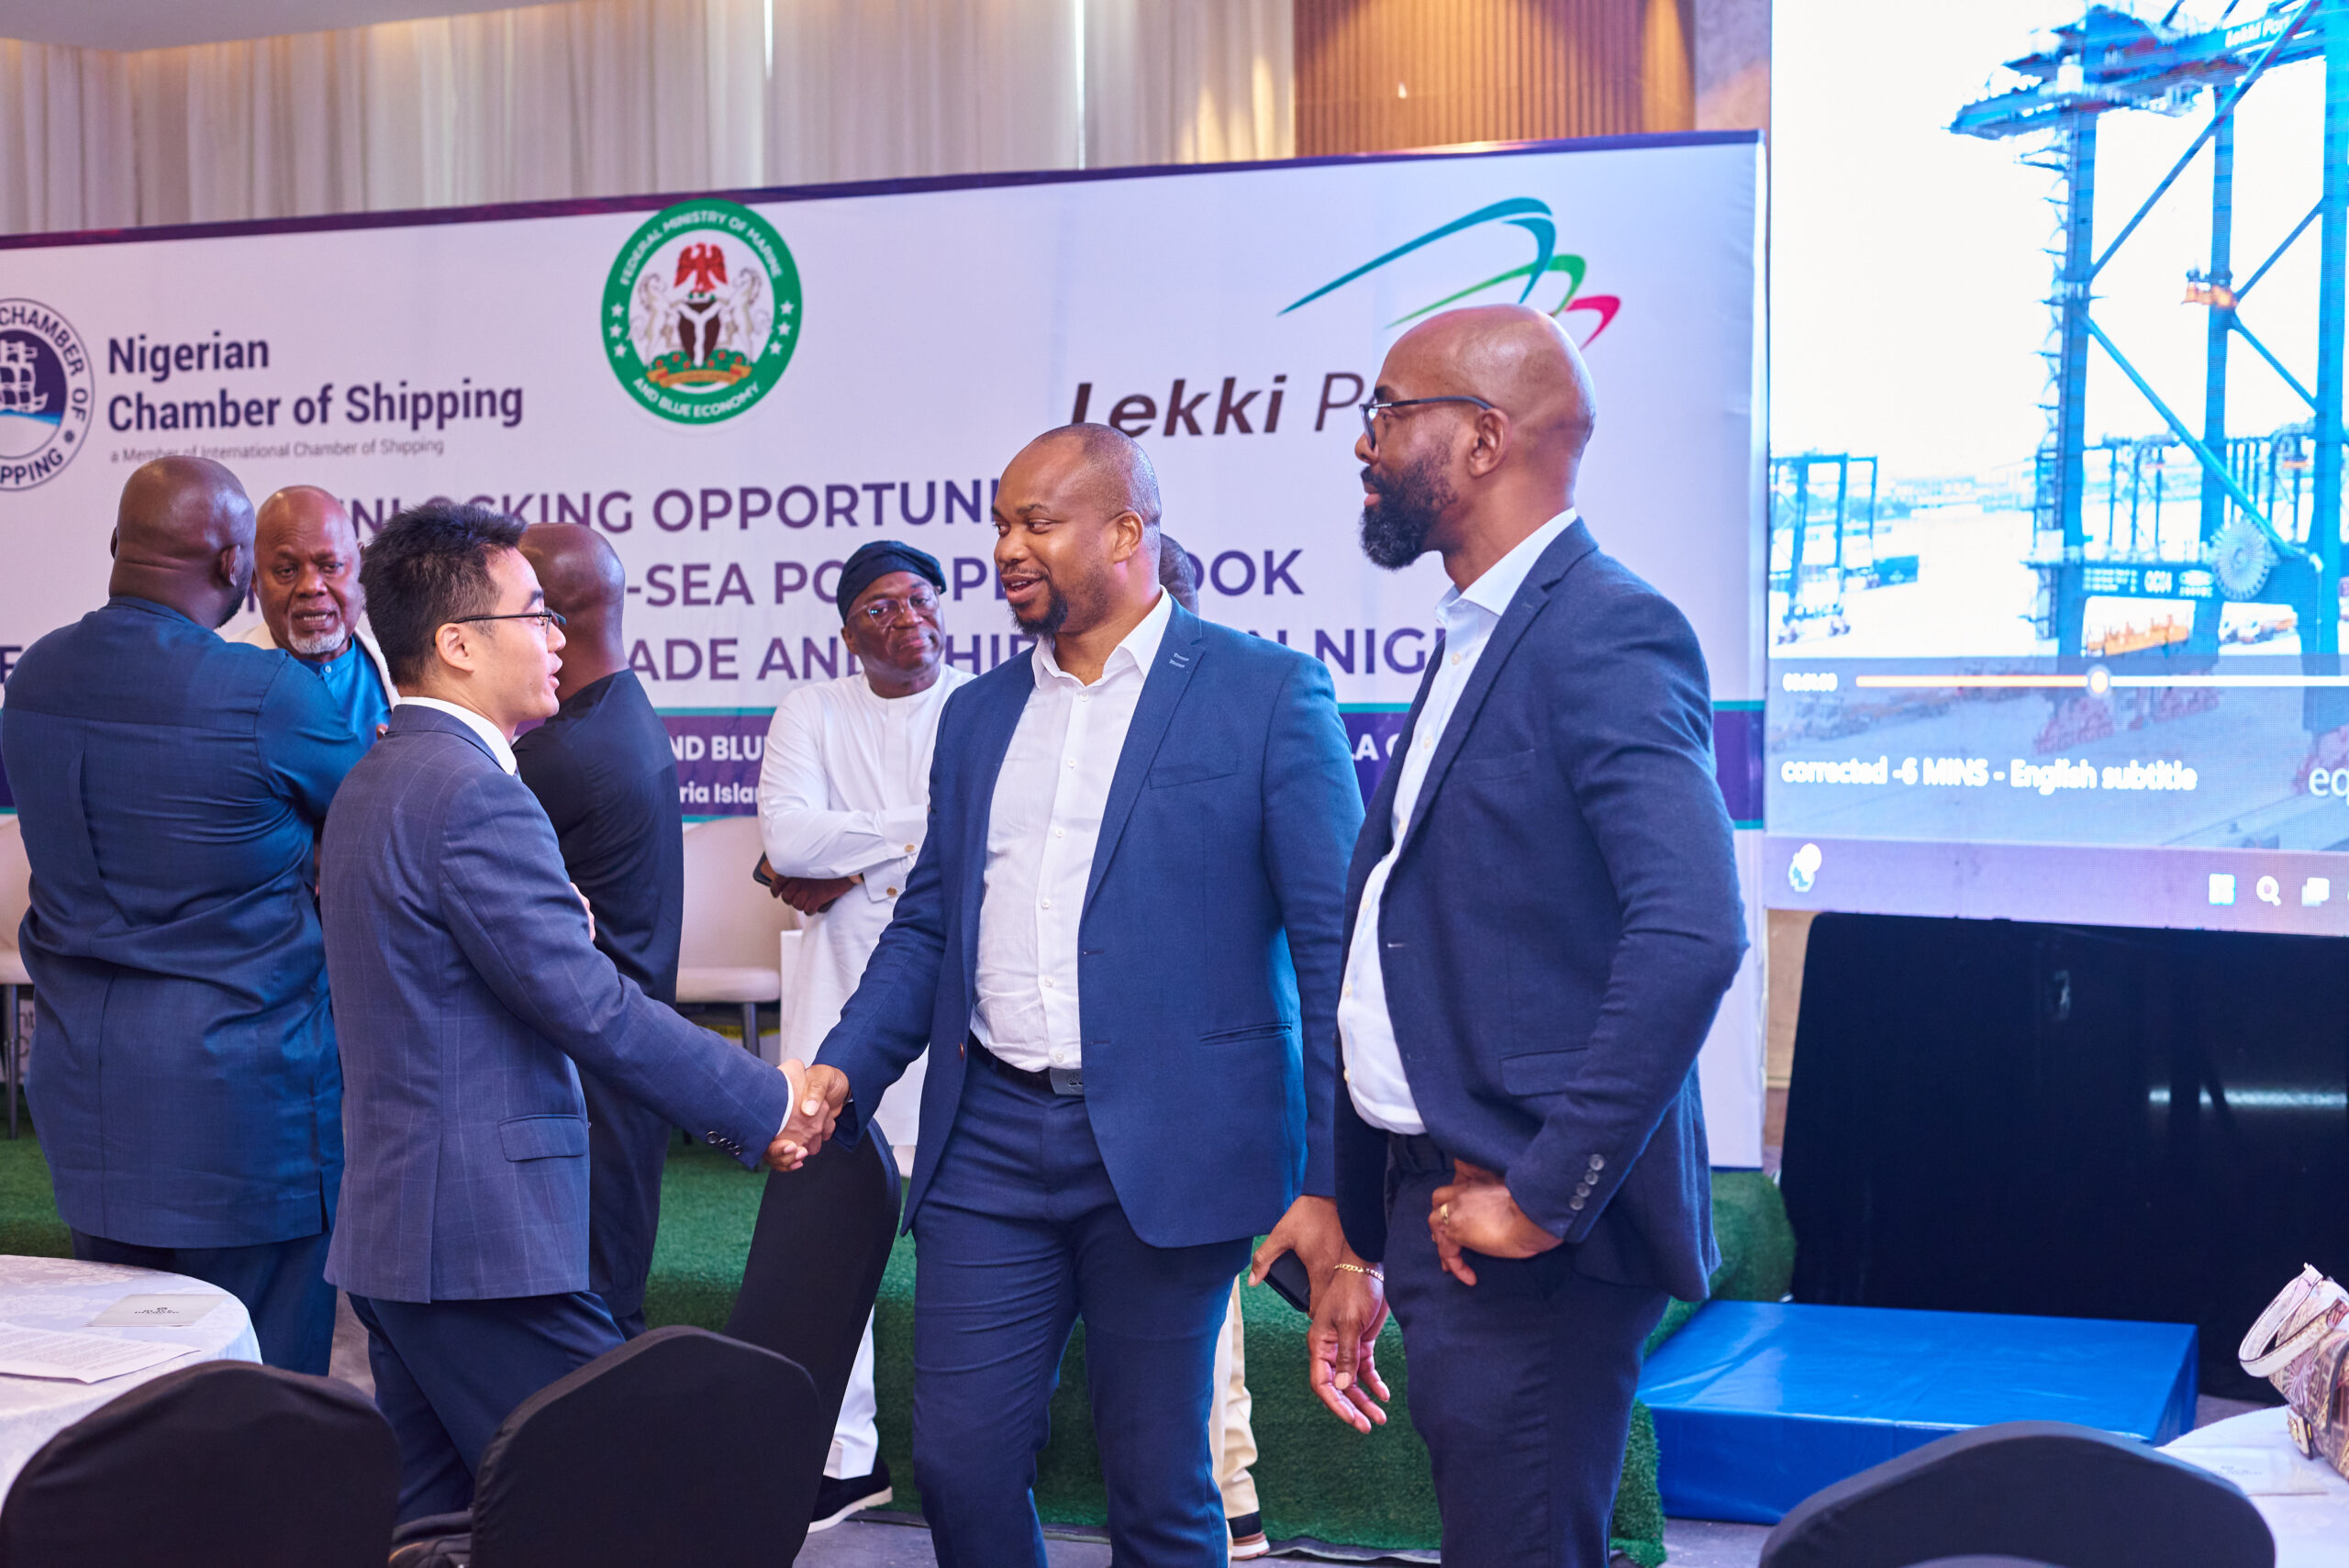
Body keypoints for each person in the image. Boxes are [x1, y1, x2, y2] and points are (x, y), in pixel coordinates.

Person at [780, 424, 1366, 1568]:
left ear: (1125, 532)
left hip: (1175, 1141)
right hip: (990, 1138)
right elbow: (930, 924)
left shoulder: (1264, 693)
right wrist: (842, 1066)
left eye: (1037, 523)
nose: (1007, 547)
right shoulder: (978, 713)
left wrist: (1333, 1181)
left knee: (1158, 1482)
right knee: (959, 1463)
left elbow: (1332, 950)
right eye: (1001, 523)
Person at [1310, 304, 1747, 1567]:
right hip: (1441, 1204)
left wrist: (1549, 1194)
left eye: (1389, 412)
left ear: (1484, 437)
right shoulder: (1480, 630)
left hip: (1535, 1233)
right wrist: (1360, 1215)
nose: (1364, 443)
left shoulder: (1604, 626)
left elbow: (1692, 928)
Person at [317, 502, 808, 1520]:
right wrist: (765, 1100)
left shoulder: (381, 775)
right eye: (534, 613)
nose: (556, 636)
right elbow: (592, 1007)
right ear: (457, 644)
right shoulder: (471, 795)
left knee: (442, 1529)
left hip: (403, 1236)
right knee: (632, 1509)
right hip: (481, 1247)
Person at [0, 457, 367, 1374]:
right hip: (248, 1107)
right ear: (236, 562)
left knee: (126, 1385)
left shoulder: (34, 676)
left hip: (87, 1096)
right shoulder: (266, 692)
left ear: (116, 546)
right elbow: (389, 818)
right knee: (261, 1395)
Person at [755, 539, 967, 1531]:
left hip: (956, 1008)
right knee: (832, 1235)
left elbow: (985, 837)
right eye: (880, 606)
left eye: (919, 597)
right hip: (837, 1000)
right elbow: (789, 841)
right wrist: (916, 836)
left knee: (960, 1232)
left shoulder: (979, 704)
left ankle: (976, 1451)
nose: (906, 617)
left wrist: (858, 854)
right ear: (848, 632)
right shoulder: (811, 709)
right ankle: (845, 1456)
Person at [509, 522, 682, 1341]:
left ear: (550, 621)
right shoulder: (623, 711)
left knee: (589, 1326)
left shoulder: (563, 755)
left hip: (592, 1079)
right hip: (623, 1062)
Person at [1156, 528, 1270, 1561]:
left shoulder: (1252, 706)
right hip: (1079, 1072)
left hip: (1202, 1063)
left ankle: (1228, 1484)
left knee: (1205, 1292)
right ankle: (1220, 1486)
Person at [237, 485, 395, 747]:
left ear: (361, 566)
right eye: (287, 571)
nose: (311, 587)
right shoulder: (216, 681)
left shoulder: (412, 677)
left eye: (331, 566)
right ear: (254, 580)